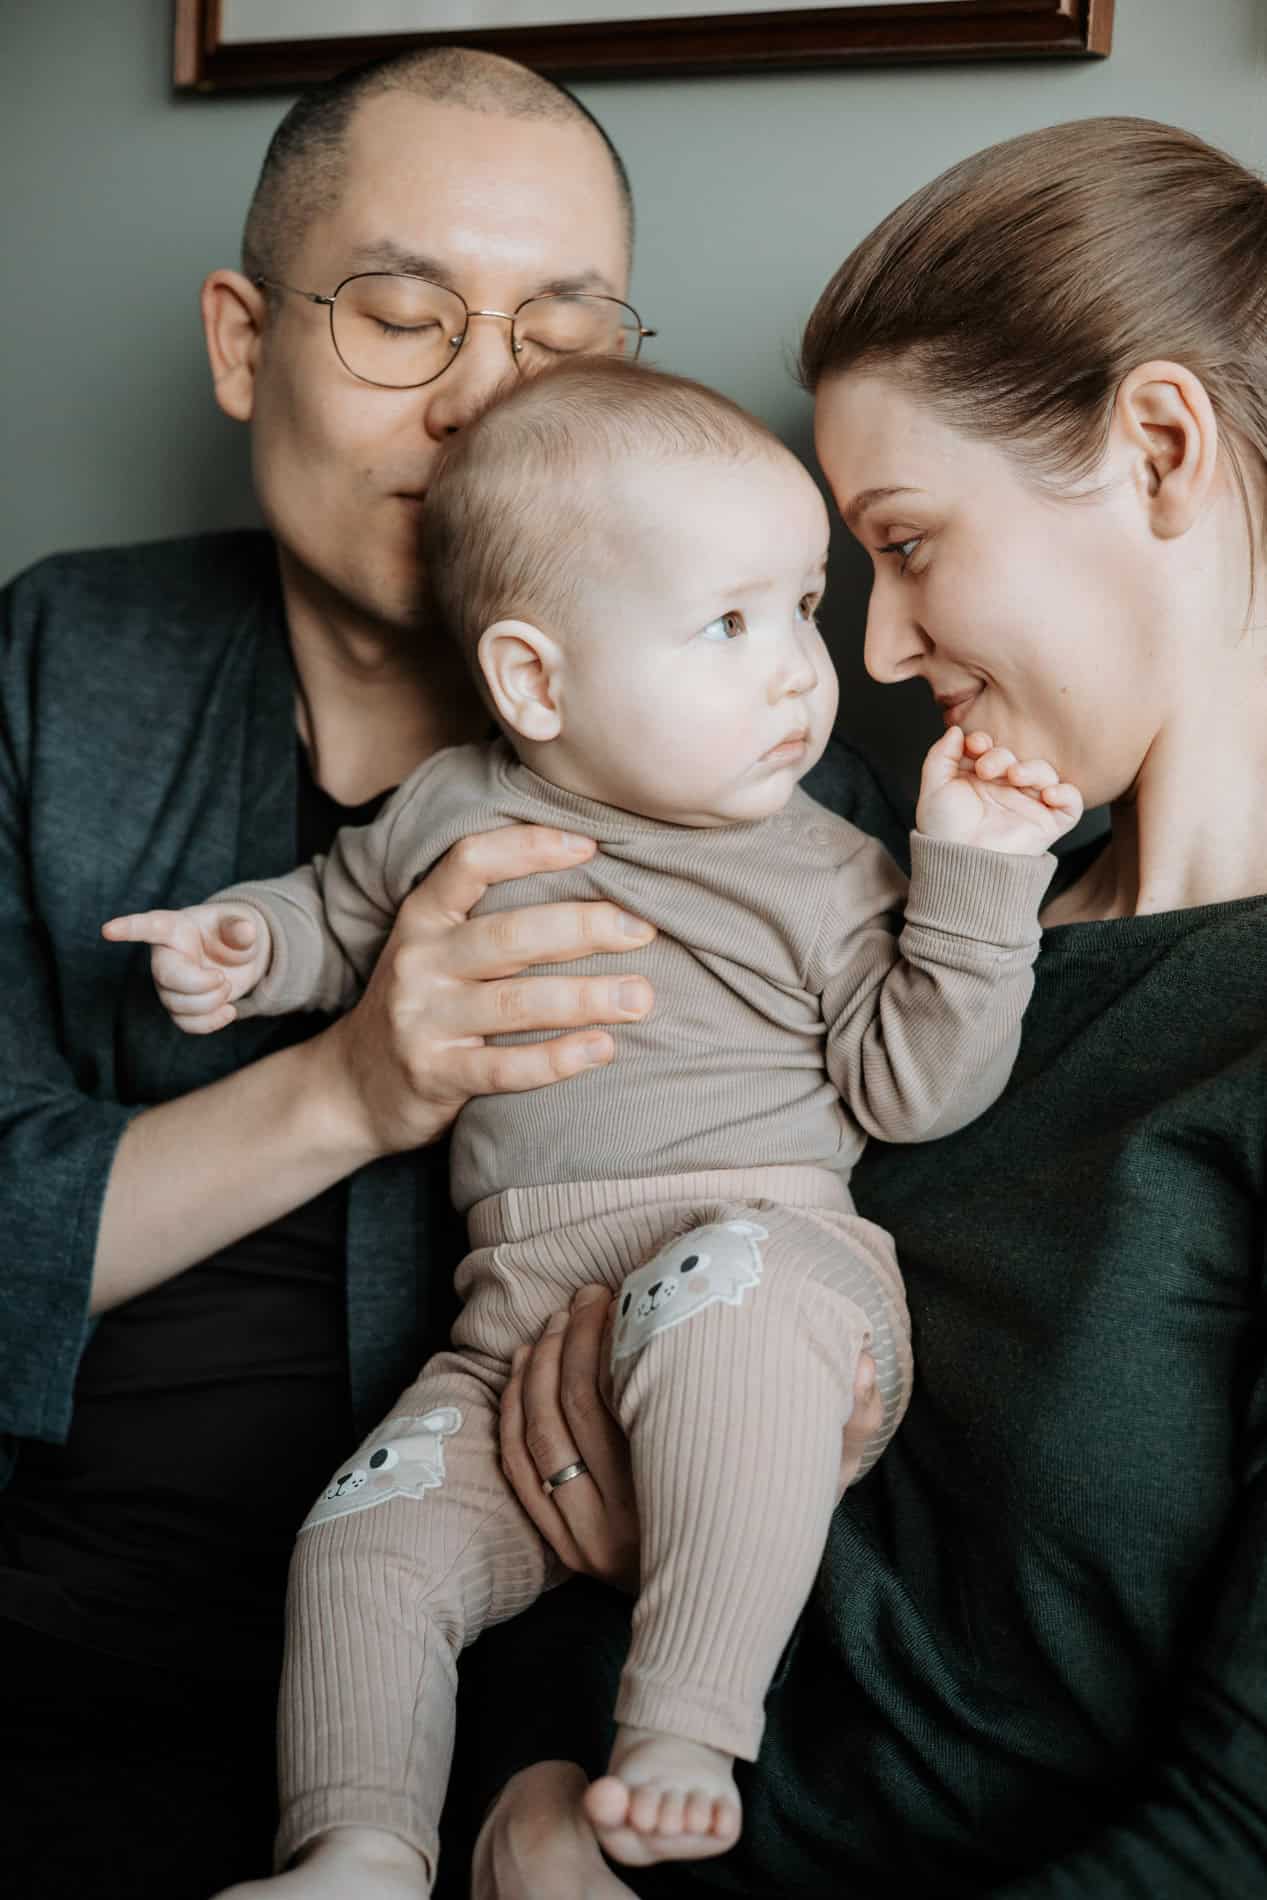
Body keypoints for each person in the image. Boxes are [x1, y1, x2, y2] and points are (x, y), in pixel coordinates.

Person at [107, 356, 1082, 1895]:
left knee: (723, 1316)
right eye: (727, 626)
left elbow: (917, 1087)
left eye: (802, 603)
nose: (799, 673)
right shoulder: (447, 811)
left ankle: (687, 1726)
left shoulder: (826, 870)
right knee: (361, 1537)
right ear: (536, 683)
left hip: (773, 1276)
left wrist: (974, 881)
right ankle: (357, 1847)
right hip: (514, 1335)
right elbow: (338, 913)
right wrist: (246, 946)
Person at [460, 116, 1267, 1899]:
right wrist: (528, 1787)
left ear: (1158, 450)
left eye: (906, 544)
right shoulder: (913, 943)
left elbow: (1235, 1846)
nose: (878, 654)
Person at [0, 45, 686, 1900]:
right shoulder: (63, 666)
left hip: (522, 1712)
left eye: (560, 333)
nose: (483, 402)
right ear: (243, 344)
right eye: (400, 316)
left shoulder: (745, 760)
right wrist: (355, 1086)